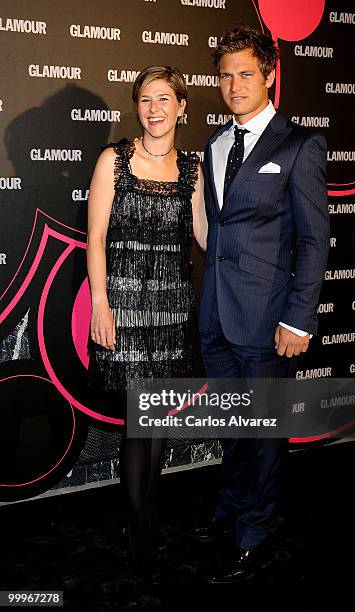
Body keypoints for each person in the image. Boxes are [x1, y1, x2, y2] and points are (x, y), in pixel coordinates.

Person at [198, 25, 330, 583]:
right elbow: (219, 235)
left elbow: (313, 240)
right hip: (215, 312)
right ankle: (231, 506)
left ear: (270, 75)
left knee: (264, 430)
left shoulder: (299, 145)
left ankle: (259, 525)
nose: (234, 85)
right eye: (225, 75)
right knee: (232, 425)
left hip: (268, 316)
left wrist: (298, 317)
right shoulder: (214, 146)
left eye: (245, 73)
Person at [86, 66, 207, 576]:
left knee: (156, 419)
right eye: (144, 99)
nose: (154, 108)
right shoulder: (113, 160)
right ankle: (139, 524)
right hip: (125, 306)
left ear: (182, 107)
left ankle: (143, 513)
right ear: (137, 107)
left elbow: (205, 237)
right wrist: (100, 303)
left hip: (172, 308)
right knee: (141, 420)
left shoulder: (193, 170)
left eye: (164, 99)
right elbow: (94, 240)